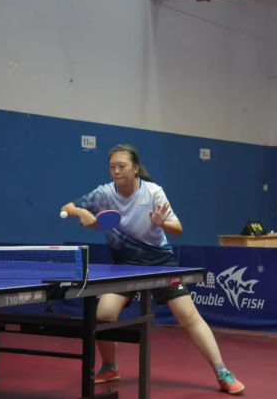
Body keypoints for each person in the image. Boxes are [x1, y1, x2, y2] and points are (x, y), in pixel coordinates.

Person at [60, 144, 245, 395]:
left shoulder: (153, 192)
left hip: (160, 263)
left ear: (135, 168)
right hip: (125, 266)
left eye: (122, 166)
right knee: (103, 314)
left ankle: (222, 372)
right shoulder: (104, 193)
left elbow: (178, 228)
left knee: (189, 316)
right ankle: (110, 366)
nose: (116, 171)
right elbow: (66, 208)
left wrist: (161, 222)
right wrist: (81, 211)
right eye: (112, 167)